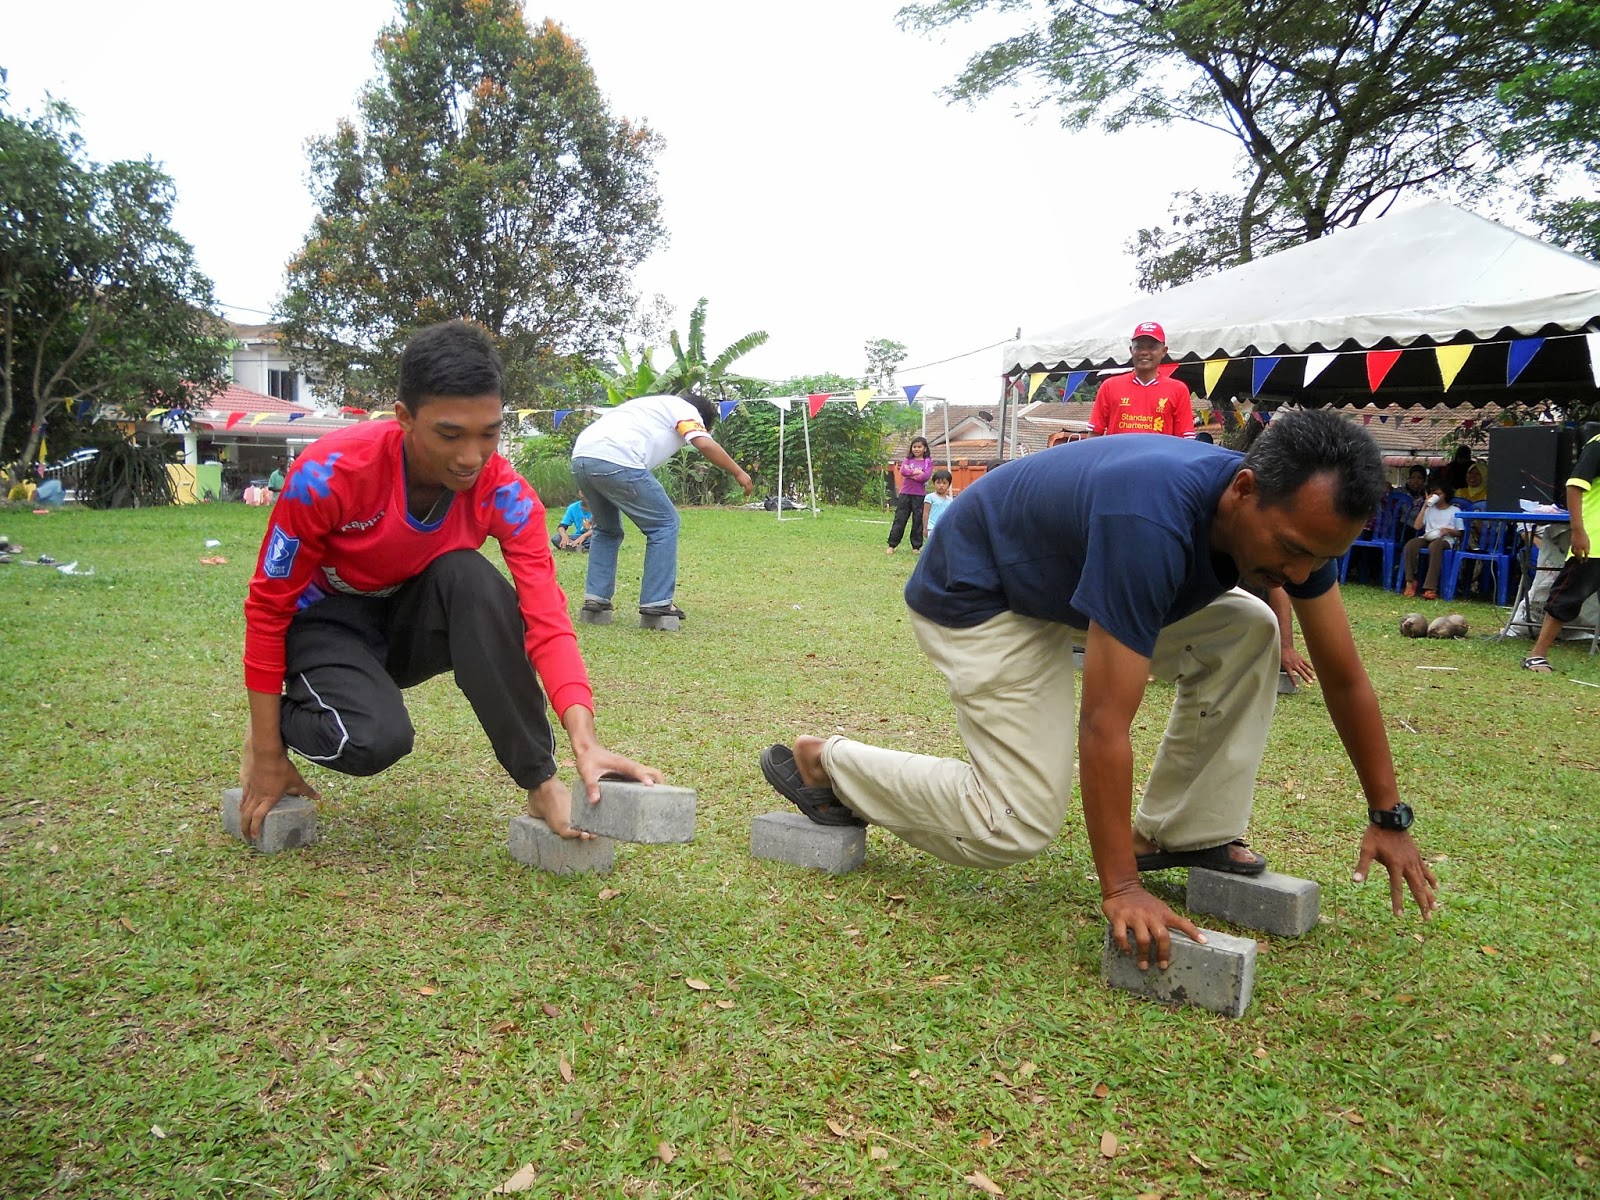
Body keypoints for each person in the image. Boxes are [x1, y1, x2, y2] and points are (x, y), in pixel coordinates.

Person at [759, 410, 1436, 972]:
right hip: (981, 589)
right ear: (1245, 488)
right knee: (1014, 824)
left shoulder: (1294, 527)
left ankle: (1183, 832)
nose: (1300, 570)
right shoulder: (1152, 523)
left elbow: (1344, 676)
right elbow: (1106, 724)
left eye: (1320, 558)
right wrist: (1121, 888)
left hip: (1068, 582)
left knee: (1253, 627)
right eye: (1292, 549)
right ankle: (829, 763)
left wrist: (1388, 815)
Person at [238, 319, 661, 843]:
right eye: (450, 434)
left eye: (490, 433)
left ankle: (539, 781)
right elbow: (268, 606)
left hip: (405, 623)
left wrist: (586, 740)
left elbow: (546, 621)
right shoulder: (328, 474)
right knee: (374, 741)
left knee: (468, 575)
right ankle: (277, 722)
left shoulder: (505, 493)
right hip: (325, 625)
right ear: (404, 418)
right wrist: (266, 750)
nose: (471, 457)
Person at [570, 393, 752, 622]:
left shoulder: (649, 405)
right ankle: (657, 602)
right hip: (618, 459)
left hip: (581, 459)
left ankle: (595, 600)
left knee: (606, 529)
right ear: (702, 421)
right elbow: (704, 443)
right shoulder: (687, 411)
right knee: (665, 524)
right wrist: (739, 472)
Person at [1521, 430, 1599, 673]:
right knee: (1567, 597)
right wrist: (1578, 531)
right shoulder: (1598, 444)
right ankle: (1537, 655)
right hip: (1594, 539)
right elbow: (1574, 487)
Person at [1087, 321, 1196, 439]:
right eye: (1138, 347)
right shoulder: (1109, 386)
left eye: (1152, 347)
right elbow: (1094, 434)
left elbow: (1186, 440)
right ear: (1131, 350)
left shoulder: (1178, 390)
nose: (1144, 353)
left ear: (1164, 351)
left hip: (1159, 458)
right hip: (1120, 457)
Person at [1401, 481, 1462, 600]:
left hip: (1445, 540)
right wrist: (1424, 506)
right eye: (1432, 493)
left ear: (1446, 495)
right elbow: (1417, 527)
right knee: (1411, 544)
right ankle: (1410, 581)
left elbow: (1460, 532)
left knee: (1435, 546)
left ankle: (1430, 587)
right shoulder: (1429, 510)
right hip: (1428, 537)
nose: (1434, 496)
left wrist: (1448, 531)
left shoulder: (1455, 511)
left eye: (1438, 494)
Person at [887, 436, 935, 553]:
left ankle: (916, 547)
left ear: (925, 448)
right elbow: (903, 471)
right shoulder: (907, 460)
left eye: (919, 447)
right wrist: (916, 472)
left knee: (918, 520)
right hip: (905, 493)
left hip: (919, 495)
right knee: (900, 519)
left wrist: (911, 474)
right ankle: (892, 545)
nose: (916, 449)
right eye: (914, 447)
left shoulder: (928, 461)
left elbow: (925, 476)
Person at [921, 469, 954, 541]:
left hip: (945, 528)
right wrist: (925, 528)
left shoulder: (950, 500)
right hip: (932, 528)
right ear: (934, 483)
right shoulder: (930, 497)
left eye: (944, 483)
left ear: (949, 485)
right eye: (938, 483)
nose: (941, 485)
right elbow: (926, 513)